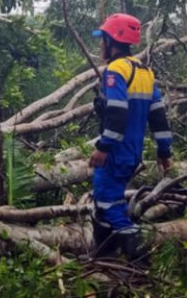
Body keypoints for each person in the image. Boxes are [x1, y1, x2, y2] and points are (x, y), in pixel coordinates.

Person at [90, 13, 173, 265]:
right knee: (107, 201)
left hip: (116, 151)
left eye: (103, 39)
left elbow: (116, 113)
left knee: (105, 200)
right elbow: (158, 116)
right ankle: (105, 254)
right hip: (132, 152)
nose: (101, 45)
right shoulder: (146, 72)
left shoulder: (115, 70)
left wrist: (103, 147)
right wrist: (164, 151)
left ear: (112, 40)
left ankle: (138, 255)